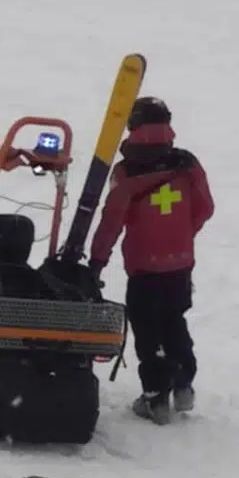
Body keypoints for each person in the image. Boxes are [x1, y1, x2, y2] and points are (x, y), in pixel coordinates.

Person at [89, 96, 215, 425]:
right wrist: (181, 234)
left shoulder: (127, 170)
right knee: (174, 319)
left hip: (144, 266)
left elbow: (112, 220)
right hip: (180, 263)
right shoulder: (187, 163)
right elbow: (205, 207)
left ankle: (155, 397)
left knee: (148, 329)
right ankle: (183, 382)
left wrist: (97, 260)